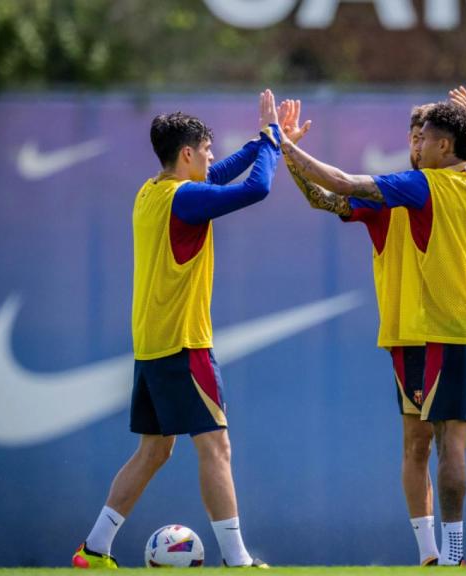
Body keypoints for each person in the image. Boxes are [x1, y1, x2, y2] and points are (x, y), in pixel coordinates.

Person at [278, 99, 466, 567]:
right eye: (414, 136)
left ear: (445, 144)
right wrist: (294, 160)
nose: (419, 145)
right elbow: (325, 196)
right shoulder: (410, 190)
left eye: (426, 137)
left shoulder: (427, 187)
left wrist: (284, 148)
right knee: (426, 443)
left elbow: (339, 182)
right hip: (424, 335)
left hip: (449, 333)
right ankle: (434, 554)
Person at [71, 91, 282, 569]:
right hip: (184, 343)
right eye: (205, 150)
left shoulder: (151, 191)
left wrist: (263, 141)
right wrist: (271, 143)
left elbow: (218, 176)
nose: (211, 157)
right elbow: (257, 189)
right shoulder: (186, 198)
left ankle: (94, 549)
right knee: (216, 446)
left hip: (151, 345)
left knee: (154, 451)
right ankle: (238, 560)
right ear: (187, 153)